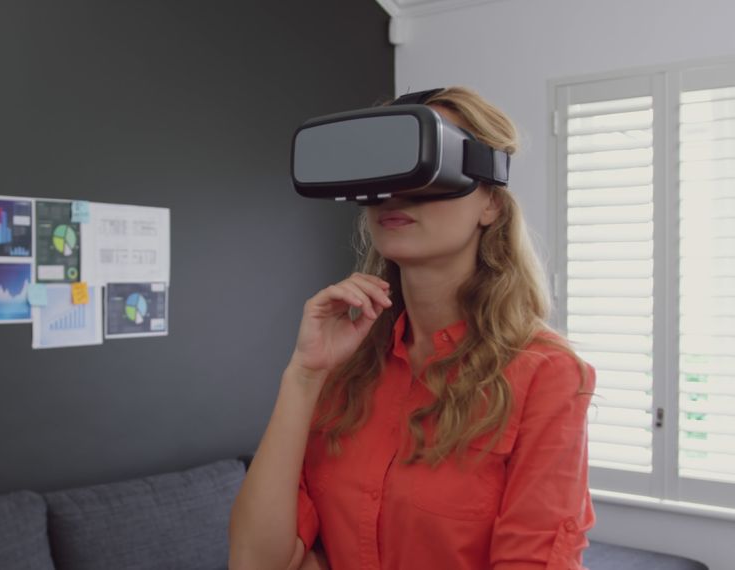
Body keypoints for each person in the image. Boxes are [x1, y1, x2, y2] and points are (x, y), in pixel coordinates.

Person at [229, 86, 597, 570]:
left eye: (426, 165)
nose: (396, 193)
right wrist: (304, 376)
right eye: (382, 170)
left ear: (489, 204)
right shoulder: (344, 362)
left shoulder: (546, 374)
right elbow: (257, 564)